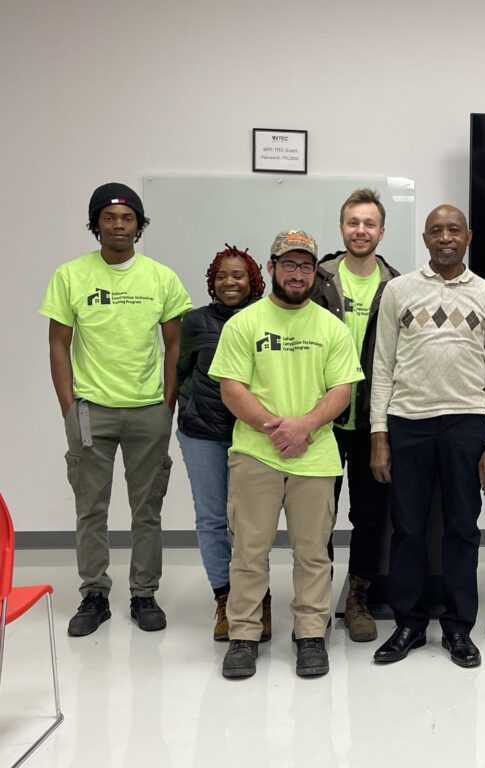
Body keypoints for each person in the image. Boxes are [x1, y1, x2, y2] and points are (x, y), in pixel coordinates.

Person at [210, 229, 363, 679]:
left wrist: (303, 426)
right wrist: (273, 427)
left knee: (313, 552)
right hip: (256, 455)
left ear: (315, 274)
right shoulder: (245, 324)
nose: (298, 274)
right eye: (289, 265)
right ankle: (243, 634)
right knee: (248, 550)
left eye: (306, 266)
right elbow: (231, 387)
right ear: (272, 268)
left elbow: (342, 390)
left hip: (315, 457)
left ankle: (310, 633)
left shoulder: (331, 328)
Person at [40, 182, 192, 636]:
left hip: (148, 411)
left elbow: (174, 346)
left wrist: (167, 405)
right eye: (109, 218)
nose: (119, 225)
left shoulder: (161, 278)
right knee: (91, 507)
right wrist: (70, 407)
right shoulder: (70, 276)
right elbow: (58, 343)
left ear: (139, 226)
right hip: (92, 412)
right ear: (96, 225)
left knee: (147, 508)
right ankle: (94, 594)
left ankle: (144, 593)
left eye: (128, 219)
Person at [370, 204, 485, 668]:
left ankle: (457, 626)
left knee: (462, 528)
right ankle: (408, 622)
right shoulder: (398, 291)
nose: (445, 237)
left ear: (468, 237)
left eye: (454, 230)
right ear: (425, 239)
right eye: (436, 231)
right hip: (408, 421)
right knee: (407, 528)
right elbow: (382, 367)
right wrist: (379, 435)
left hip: (466, 423)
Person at [311, 188, 400, 643]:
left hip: (373, 423)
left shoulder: (399, 286)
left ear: (382, 231)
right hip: (320, 420)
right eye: (353, 222)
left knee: (369, 517)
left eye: (369, 224)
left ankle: (359, 597)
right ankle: (317, 601)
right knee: (317, 516)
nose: (361, 231)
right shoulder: (316, 278)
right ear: (342, 227)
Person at [176, 244, 272, 641]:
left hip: (252, 436)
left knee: (252, 525)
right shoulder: (194, 321)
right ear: (212, 282)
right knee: (212, 520)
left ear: (254, 280)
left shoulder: (270, 320)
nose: (229, 282)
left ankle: (257, 600)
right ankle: (225, 598)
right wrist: (187, 407)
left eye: (238, 275)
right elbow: (181, 370)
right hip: (202, 434)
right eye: (221, 276)